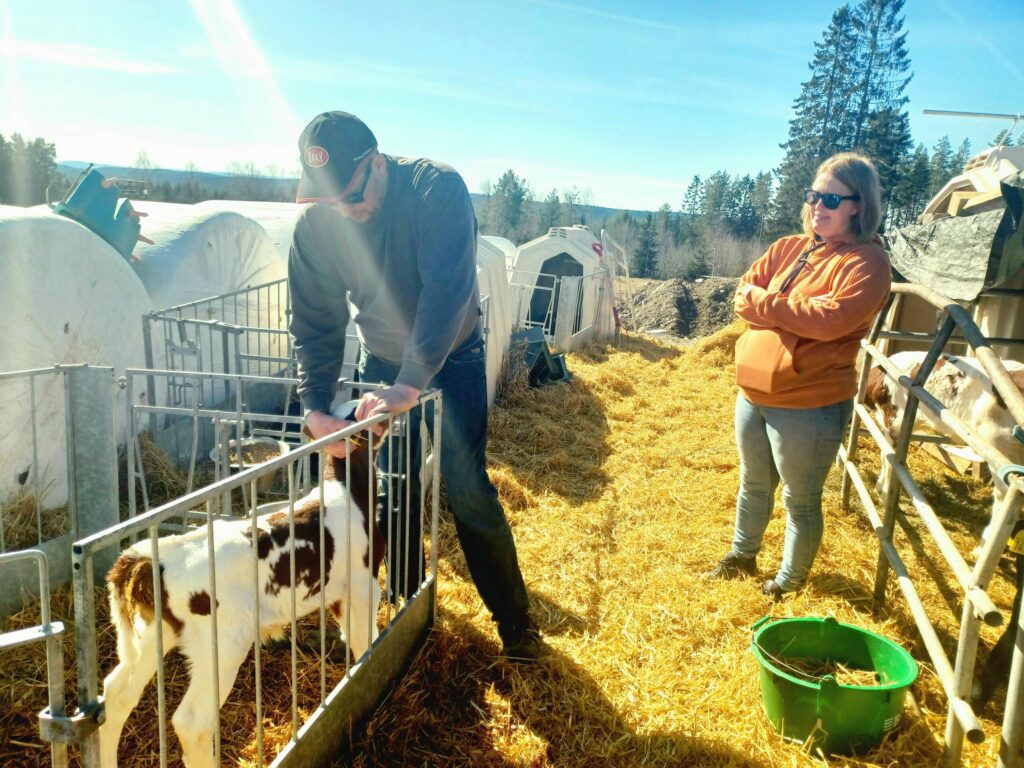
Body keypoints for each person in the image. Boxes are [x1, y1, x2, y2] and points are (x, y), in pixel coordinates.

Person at [287, 111, 540, 661]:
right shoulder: (318, 227)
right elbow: (315, 323)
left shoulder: (434, 190)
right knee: (389, 487)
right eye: (329, 202)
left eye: (350, 197)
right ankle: (402, 603)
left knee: (467, 486)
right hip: (382, 360)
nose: (344, 213)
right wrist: (315, 408)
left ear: (375, 165)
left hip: (451, 356)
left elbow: (446, 292)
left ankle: (515, 623)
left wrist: (410, 383)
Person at [708, 152, 891, 598]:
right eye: (814, 195)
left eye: (831, 198)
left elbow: (829, 320)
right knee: (753, 482)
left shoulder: (867, 263)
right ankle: (741, 555)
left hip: (808, 404)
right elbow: (741, 295)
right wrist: (788, 312)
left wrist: (767, 305)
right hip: (752, 392)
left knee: (800, 500)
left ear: (858, 206)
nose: (818, 206)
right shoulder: (789, 248)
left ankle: (789, 582)